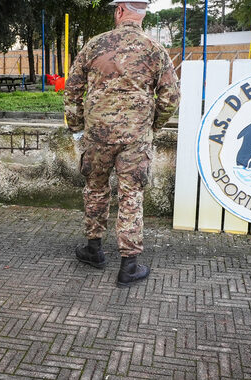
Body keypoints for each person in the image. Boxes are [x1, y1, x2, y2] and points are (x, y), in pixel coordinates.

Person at [64, 0, 180, 287]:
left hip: (97, 136)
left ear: (119, 11)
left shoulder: (94, 46)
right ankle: (128, 266)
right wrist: (152, 126)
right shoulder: (155, 49)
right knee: (130, 196)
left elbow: (72, 90)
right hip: (135, 140)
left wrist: (78, 127)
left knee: (95, 189)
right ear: (142, 14)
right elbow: (170, 97)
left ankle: (94, 250)